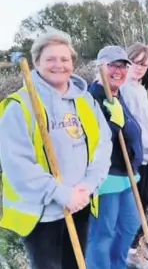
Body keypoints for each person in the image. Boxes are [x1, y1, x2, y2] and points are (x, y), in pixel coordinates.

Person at [0, 28, 113, 269]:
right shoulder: (20, 107)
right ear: (36, 62)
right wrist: (63, 195)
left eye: (64, 59)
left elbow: (103, 145)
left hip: (80, 203)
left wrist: (88, 185)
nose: (58, 65)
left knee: (76, 264)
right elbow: (17, 166)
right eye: (50, 59)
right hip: (42, 215)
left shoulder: (85, 100)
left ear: (72, 62)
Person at [85, 45, 144, 269]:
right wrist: (115, 124)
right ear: (100, 67)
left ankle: (117, 264)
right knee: (103, 234)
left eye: (122, 66)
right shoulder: (92, 98)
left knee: (130, 224)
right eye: (112, 65)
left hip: (126, 175)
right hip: (106, 178)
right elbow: (94, 140)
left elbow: (128, 131)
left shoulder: (117, 95)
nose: (118, 71)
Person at [120, 17, 148, 268]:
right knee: (137, 200)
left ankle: (135, 244)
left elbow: (147, 57)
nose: (139, 67)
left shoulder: (138, 84)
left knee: (145, 198)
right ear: (126, 63)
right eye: (134, 63)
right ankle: (133, 247)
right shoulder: (124, 84)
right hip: (136, 154)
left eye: (143, 64)